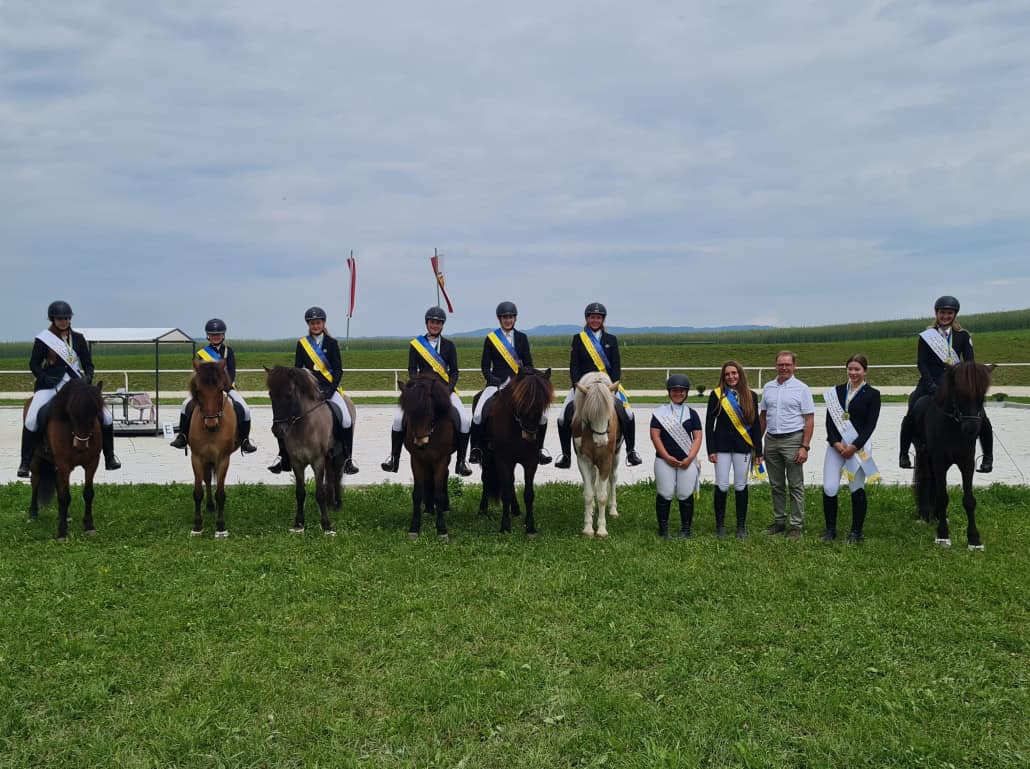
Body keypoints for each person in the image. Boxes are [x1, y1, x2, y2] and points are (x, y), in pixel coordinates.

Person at [18, 300, 120, 477]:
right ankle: (25, 462)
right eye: (60, 318)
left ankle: (109, 457)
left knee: (107, 416)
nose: (64, 321)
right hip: (50, 384)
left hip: (75, 384)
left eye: (66, 318)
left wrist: (88, 378)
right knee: (31, 418)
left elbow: (88, 364)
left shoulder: (79, 338)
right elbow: (34, 364)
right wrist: (44, 378)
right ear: (53, 319)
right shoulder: (43, 339)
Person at [898, 295, 993, 472]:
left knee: (981, 415)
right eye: (942, 313)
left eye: (949, 313)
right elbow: (922, 363)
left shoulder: (963, 336)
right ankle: (904, 453)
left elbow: (969, 362)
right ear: (937, 313)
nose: (945, 316)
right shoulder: (927, 337)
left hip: (957, 385)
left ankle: (988, 457)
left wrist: (965, 383)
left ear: (954, 315)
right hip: (930, 382)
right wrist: (930, 385)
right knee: (913, 407)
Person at [381, 306, 472, 476]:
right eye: (432, 322)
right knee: (398, 419)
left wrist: (448, 389)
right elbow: (412, 369)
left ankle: (461, 461)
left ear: (442, 325)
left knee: (465, 420)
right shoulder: (416, 345)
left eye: (438, 323)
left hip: (445, 391)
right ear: (427, 323)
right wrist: (417, 387)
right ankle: (394, 458)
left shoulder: (449, 346)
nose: (435, 325)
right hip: (421, 393)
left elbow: (454, 371)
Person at [267, 306, 359, 475]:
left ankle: (347, 458)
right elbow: (297, 369)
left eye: (318, 322)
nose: (315, 326)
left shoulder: (332, 344)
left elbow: (338, 370)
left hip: (329, 388)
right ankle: (284, 457)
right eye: (312, 323)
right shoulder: (302, 344)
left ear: (323, 323)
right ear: (308, 325)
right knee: (284, 415)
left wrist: (331, 391)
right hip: (307, 390)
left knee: (346, 418)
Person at [554, 302, 643, 469]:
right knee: (562, 416)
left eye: (598, 317)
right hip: (584, 387)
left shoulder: (611, 340)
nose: (595, 320)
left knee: (628, 414)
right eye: (592, 317)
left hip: (607, 387)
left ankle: (631, 451)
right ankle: (566, 455)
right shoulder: (578, 339)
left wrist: (613, 386)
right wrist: (577, 386)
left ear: (603, 319)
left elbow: (616, 365)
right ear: (587, 319)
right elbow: (574, 366)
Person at [469, 301, 551, 465]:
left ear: (515, 319)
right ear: (500, 319)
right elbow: (485, 366)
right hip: (497, 383)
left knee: (542, 416)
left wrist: (525, 381)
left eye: (511, 317)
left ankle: (539, 449)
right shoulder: (491, 339)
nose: (508, 320)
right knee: (478, 413)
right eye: (505, 317)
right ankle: (476, 449)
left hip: (519, 385)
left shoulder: (522, 338)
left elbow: (528, 364)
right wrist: (492, 380)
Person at [170, 318, 257, 454]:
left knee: (244, 409)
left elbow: (232, 372)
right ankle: (182, 435)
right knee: (185, 404)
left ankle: (245, 440)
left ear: (223, 335)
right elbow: (198, 374)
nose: (215, 337)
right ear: (208, 336)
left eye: (218, 334)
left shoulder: (229, 351)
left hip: (226, 388)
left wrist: (225, 387)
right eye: (212, 335)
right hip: (205, 390)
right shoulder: (202, 353)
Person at [822, 354, 881, 543]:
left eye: (857, 369)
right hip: (836, 448)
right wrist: (837, 444)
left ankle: (856, 531)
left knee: (856, 487)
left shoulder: (873, 394)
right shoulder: (836, 392)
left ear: (865, 371)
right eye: (850, 369)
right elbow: (830, 423)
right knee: (830, 487)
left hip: (858, 448)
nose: (853, 373)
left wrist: (854, 447)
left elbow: (870, 426)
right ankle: (830, 529)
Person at [759, 351, 815, 538]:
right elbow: (763, 416)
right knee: (776, 485)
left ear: (794, 366)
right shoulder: (768, 387)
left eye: (787, 364)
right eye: (780, 364)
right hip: (771, 440)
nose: (784, 368)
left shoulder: (802, 389)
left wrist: (804, 447)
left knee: (795, 484)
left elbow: (809, 419)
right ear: (775, 365)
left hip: (793, 440)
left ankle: (796, 525)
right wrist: (758, 443)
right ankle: (779, 521)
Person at [705, 361, 763, 539]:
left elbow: (755, 425)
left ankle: (740, 526)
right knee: (721, 485)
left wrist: (759, 452)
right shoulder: (717, 395)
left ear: (740, 374)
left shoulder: (751, 396)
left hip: (742, 448)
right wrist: (711, 449)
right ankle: (720, 526)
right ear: (723, 376)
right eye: (727, 374)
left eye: (734, 373)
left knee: (741, 485)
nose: (731, 377)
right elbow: (709, 423)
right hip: (721, 448)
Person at [650, 374, 703, 538]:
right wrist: (666, 456)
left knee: (685, 494)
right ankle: (663, 529)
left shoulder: (692, 414)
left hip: (687, 461)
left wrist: (690, 458)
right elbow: (655, 436)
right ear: (669, 392)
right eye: (674, 390)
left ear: (686, 392)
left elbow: (698, 437)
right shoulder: (660, 413)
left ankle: (686, 529)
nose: (678, 393)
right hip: (664, 461)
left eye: (681, 391)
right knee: (665, 493)